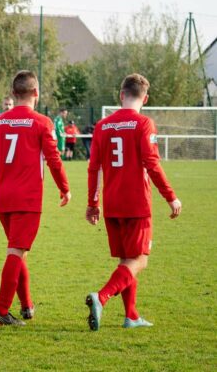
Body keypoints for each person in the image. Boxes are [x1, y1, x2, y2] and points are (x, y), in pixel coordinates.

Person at [0, 70, 71, 326]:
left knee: (18, 250)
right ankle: (1, 312)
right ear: (36, 93)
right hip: (27, 199)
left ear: (14, 94)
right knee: (16, 251)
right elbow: (54, 160)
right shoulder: (42, 123)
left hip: (3, 198)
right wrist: (64, 187)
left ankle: (26, 305)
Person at [85, 73, 182, 331]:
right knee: (139, 260)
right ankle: (102, 297)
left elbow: (94, 168)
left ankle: (131, 316)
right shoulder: (143, 124)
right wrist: (171, 196)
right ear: (145, 98)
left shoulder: (102, 126)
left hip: (111, 203)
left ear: (121, 95)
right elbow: (152, 164)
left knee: (126, 260)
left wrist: (92, 203)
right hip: (137, 203)